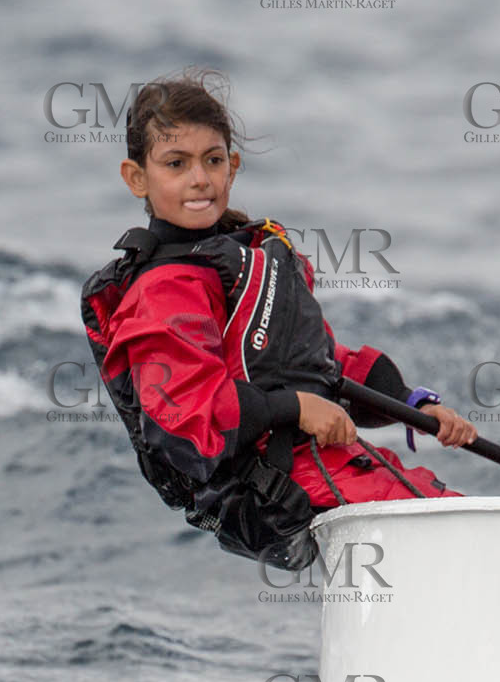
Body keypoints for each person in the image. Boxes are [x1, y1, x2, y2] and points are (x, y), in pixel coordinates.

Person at [80, 71, 477, 570]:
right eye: (176, 164)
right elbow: (184, 418)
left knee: (457, 513)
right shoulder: (164, 291)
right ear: (137, 177)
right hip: (280, 482)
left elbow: (319, 366)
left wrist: (411, 404)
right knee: (459, 531)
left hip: (330, 465)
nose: (199, 179)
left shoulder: (242, 261)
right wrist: (294, 407)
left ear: (232, 167)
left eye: (213, 160)